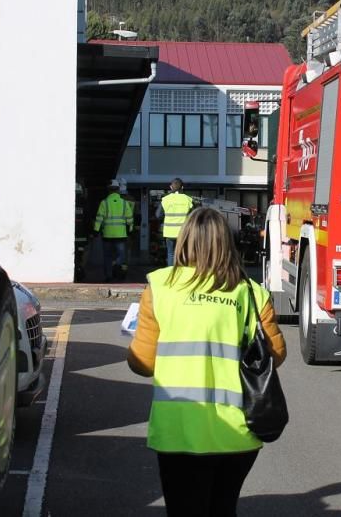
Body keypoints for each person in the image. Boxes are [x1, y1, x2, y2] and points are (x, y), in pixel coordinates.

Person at [128, 207, 286, 516]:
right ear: (228, 242)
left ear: (185, 240)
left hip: (179, 432)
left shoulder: (160, 288)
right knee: (223, 508)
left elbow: (142, 363)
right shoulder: (251, 292)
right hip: (239, 432)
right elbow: (275, 356)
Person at [93, 179, 134, 282]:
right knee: (121, 255)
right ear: (118, 190)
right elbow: (130, 218)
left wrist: (96, 230)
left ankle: (109, 276)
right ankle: (116, 266)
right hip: (121, 235)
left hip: (107, 235)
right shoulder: (124, 203)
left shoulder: (104, 203)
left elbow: (99, 218)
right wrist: (131, 229)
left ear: (108, 190)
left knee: (107, 256)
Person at [156, 177, 193, 266]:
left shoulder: (165, 200)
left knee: (171, 254)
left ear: (171, 187)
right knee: (184, 254)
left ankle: (171, 275)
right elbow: (194, 216)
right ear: (182, 187)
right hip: (184, 233)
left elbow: (158, 215)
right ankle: (183, 275)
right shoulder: (188, 199)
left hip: (170, 233)